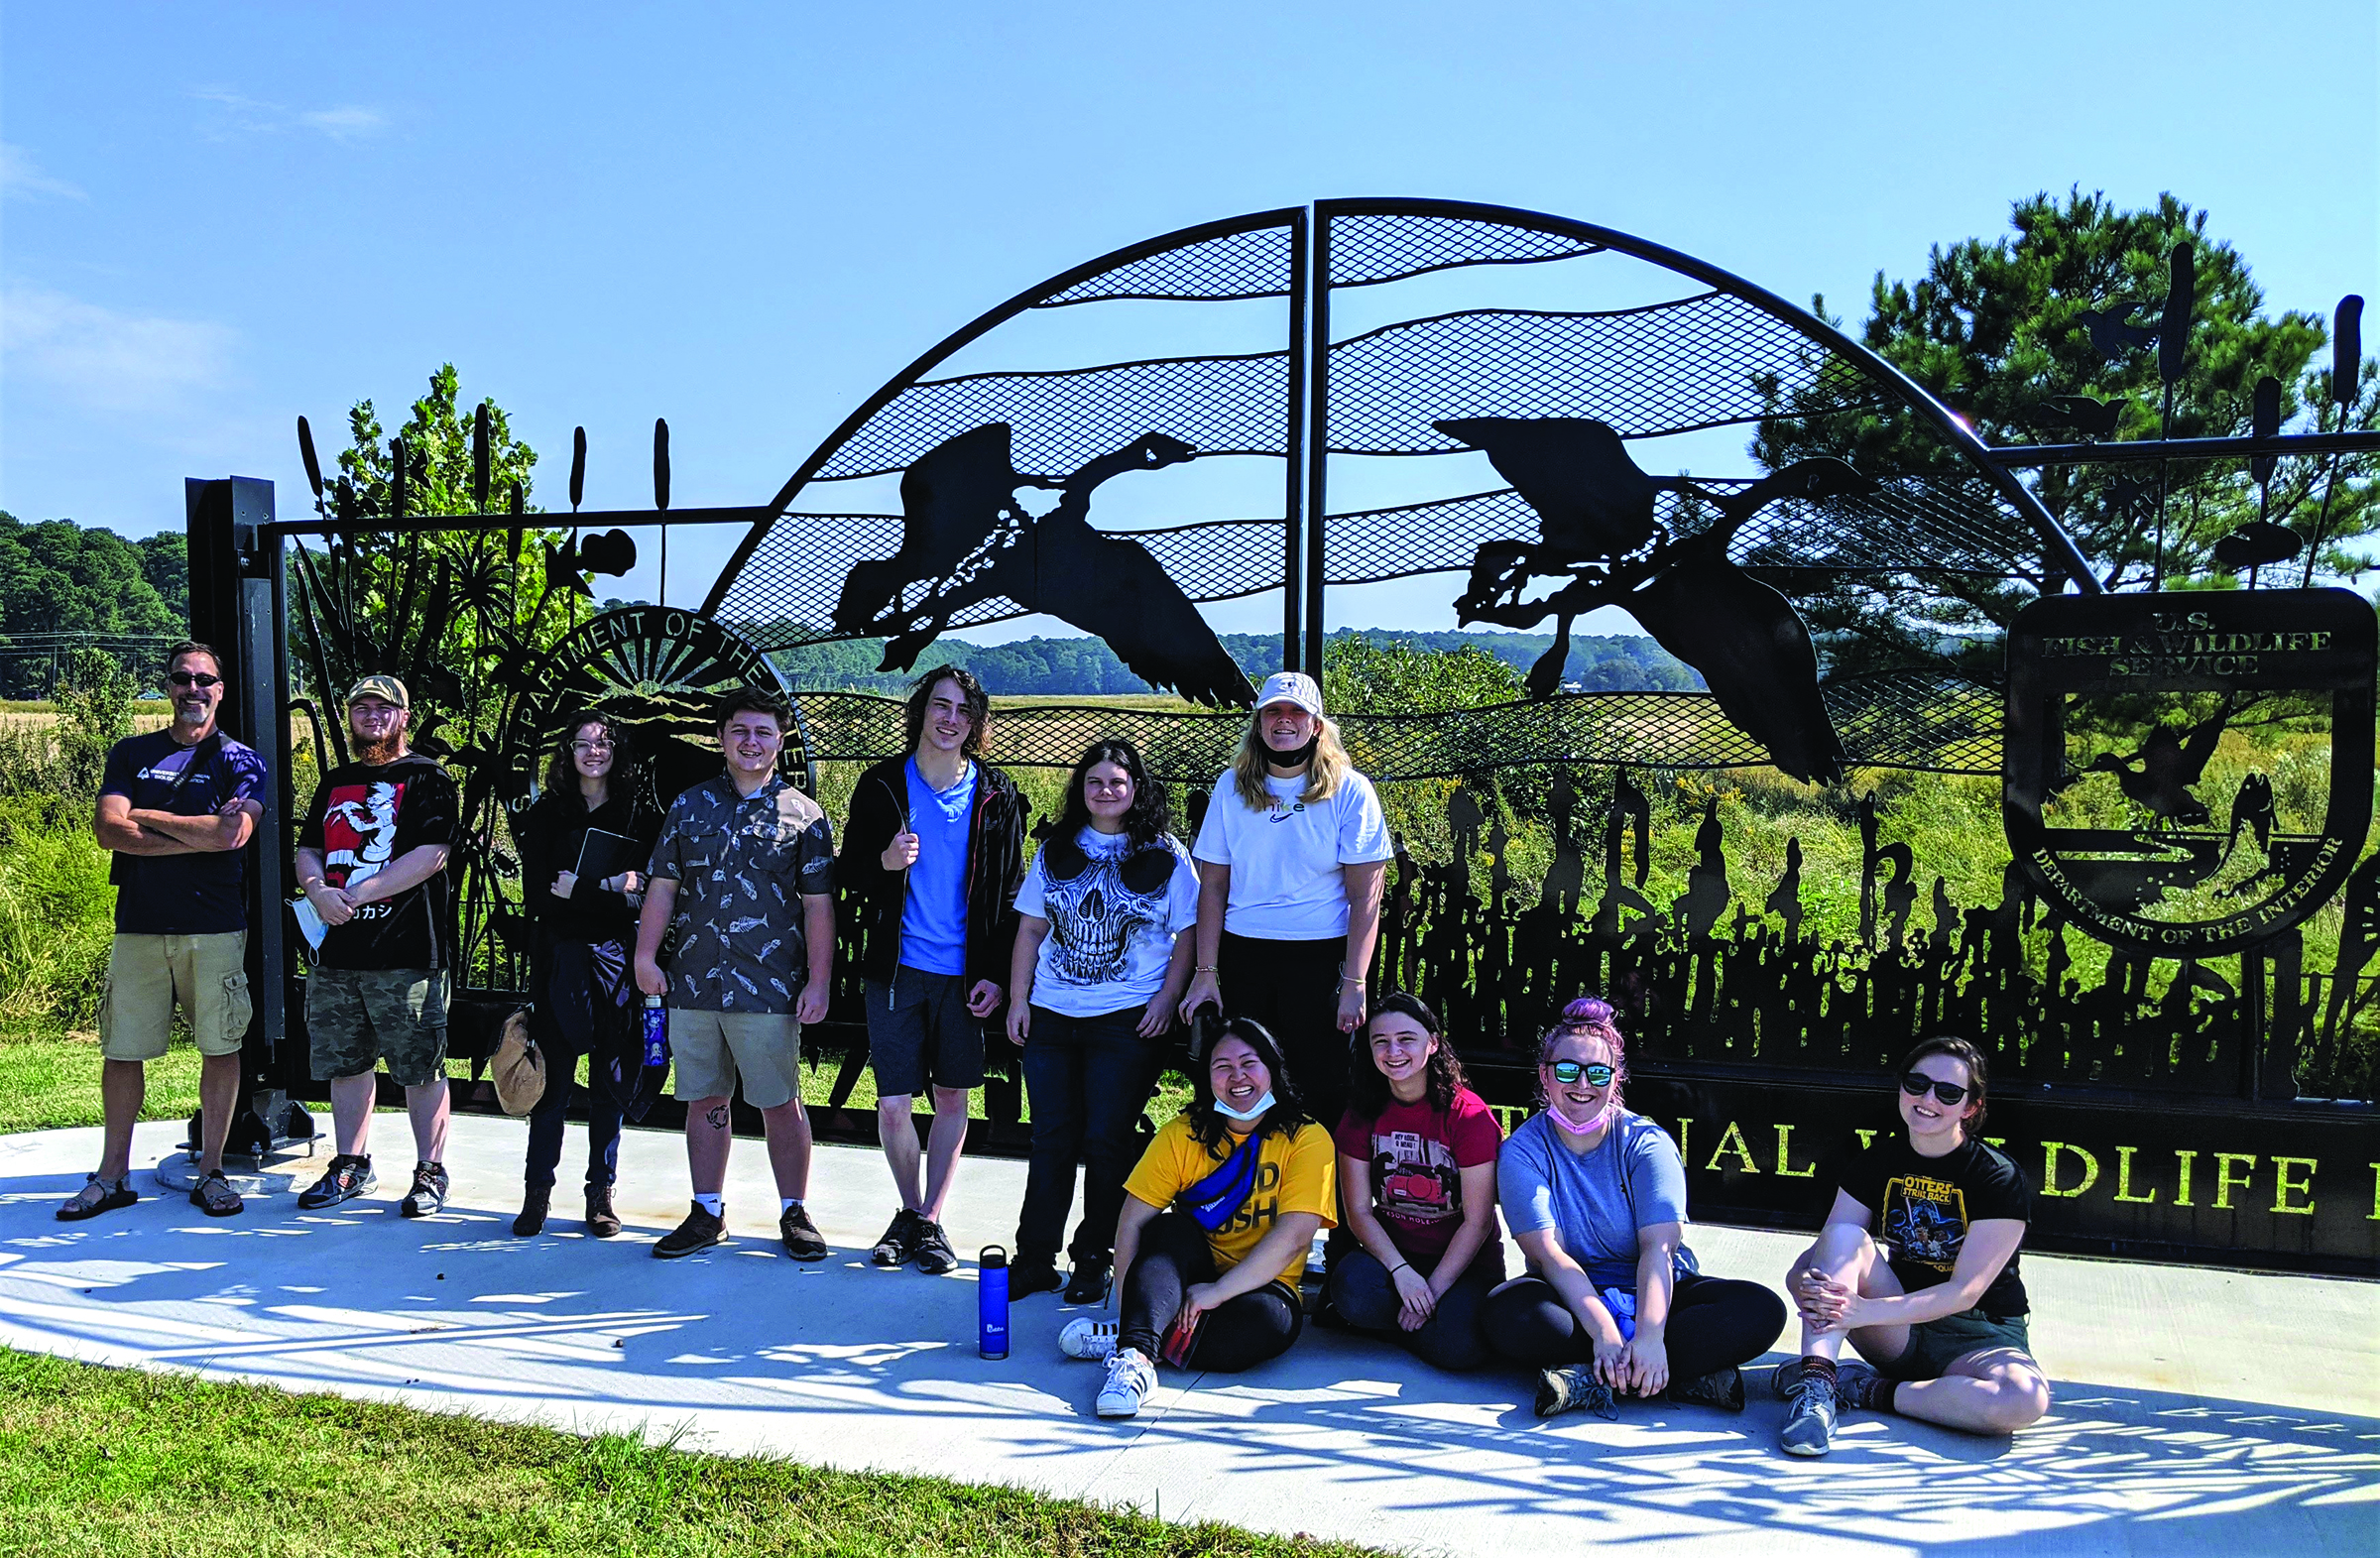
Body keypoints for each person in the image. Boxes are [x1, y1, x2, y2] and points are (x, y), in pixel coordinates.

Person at [1485, 997, 1786, 1416]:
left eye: (1598, 1072)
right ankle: (1680, 1377)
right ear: (1545, 1076)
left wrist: (1649, 1335)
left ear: (1616, 1077)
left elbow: (1658, 1249)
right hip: (1572, 1298)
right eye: (1568, 1070)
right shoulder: (1522, 1151)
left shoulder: (1647, 1141)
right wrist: (1605, 1333)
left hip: (1659, 1294)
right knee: (1505, 1314)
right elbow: (1548, 1256)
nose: (1582, 1084)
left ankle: (1589, 1377)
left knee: (1760, 1309)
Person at [60, 641, 267, 1221]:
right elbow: (108, 830)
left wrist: (146, 816)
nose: (193, 689)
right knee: (124, 1051)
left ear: (220, 690)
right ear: (169, 687)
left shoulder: (241, 760)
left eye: (205, 680)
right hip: (140, 928)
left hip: (215, 925)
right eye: (182, 678)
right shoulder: (131, 752)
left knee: (220, 1047)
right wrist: (190, 831)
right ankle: (112, 1175)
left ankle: (213, 1173)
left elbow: (231, 836)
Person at [1774, 1036, 2051, 1456]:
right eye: (1917, 1083)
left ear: (1971, 1107)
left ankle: (1867, 1390)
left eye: (1948, 1092)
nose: (1928, 1099)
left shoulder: (1998, 1177)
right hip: (1898, 1326)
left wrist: (1865, 1311)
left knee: (2022, 1399)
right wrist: (1802, 1281)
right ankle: (1815, 1389)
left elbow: (1965, 1292)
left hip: (1980, 1334)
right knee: (1848, 1238)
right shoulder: (1876, 1161)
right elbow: (1830, 1246)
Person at [838, 665, 1027, 1277]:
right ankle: (912, 1210)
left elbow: (1010, 897)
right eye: (940, 706)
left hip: (963, 975)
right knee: (893, 1103)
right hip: (896, 969)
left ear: (975, 724)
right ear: (920, 711)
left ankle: (928, 1219)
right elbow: (848, 877)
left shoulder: (997, 796)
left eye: (964, 711)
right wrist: (883, 862)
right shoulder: (881, 786)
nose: (950, 720)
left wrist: (997, 974)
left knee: (952, 1096)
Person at [634, 686, 836, 1260]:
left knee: (779, 1102)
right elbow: (663, 888)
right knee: (703, 1097)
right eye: (740, 731)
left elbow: (819, 905)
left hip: (768, 985)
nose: (751, 742)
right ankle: (707, 1211)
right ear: (720, 738)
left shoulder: (804, 816)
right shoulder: (688, 807)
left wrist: (818, 982)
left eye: (763, 733)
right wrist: (646, 957)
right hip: (694, 981)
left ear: (779, 741)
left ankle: (794, 1211)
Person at [1056, 1019, 1336, 1420]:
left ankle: (1140, 1334)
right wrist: (1125, 1304)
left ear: (1272, 1069)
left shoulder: (1307, 1138)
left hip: (1260, 1286)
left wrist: (1217, 1292)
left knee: (1268, 1324)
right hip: (1183, 1274)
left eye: (1249, 1063)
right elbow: (1132, 1222)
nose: (1237, 1077)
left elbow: (1294, 1236)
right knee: (1167, 1229)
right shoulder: (1182, 1133)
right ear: (1207, 1078)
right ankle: (1135, 1357)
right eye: (1222, 1066)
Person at [1006, 738, 1200, 1304]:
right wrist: (1020, 999)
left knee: (1108, 1141)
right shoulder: (1056, 850)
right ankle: (1035, 1257)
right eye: (1094, 782)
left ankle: (1094, 1257)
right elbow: (1031, 930)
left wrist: (1167, 998)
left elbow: (1186, 934)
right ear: (1080, 790)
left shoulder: (1166, 855)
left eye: (1117, 782)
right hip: (1052, 1015)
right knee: (1051, 1140)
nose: (1106, 791)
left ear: (1135, 789)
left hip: (1126, 1018)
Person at [1179, 670, 1390, 1135]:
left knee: (1321, 1089)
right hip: (1244, 954)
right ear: (1258, 722)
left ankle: (1319, 1201)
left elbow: (1366, 896)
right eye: (1273, 711)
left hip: (1320, 956)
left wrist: (1354, 980)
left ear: (1316, 725)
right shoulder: (1231, 787)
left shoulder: (1350, 790)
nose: (1284, 721)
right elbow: (1212, 887)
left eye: (1297, 712)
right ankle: (1245, 1196)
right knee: (1243, 1084)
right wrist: (1206, 973)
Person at [293, 675, 462, 1217]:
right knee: (347, 1064)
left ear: (403, 716)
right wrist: (318, 891)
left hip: (407, 952)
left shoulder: (429, 778)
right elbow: (309, 849)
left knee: (420, 1067)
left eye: (383, 708)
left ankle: (430, 1172)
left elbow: (432, 854)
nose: (372, 717)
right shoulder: (336, 781)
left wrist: (358, 893)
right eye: (361, 708)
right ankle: (350, 1164)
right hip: (340, 952)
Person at [510, 711, 659, 1239]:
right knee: (552, 1088)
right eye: (583, 744)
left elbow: (646, 898)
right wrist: (612, 888)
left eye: (604, 745)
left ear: (618, 753)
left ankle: (601, 1193)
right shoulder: (547, 815)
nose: (593, 753)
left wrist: (585, 889)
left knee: (608, 1085)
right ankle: (537, 1194)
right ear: (567, 752)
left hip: (615, 963)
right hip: (561, 963)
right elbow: (539, 899)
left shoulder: (638, 815)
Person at [1328, 993, 1504, 1371]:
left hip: (1463, 1264)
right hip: (1395, 1258)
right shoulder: (1361, 1113)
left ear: (1433, 1043)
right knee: (1350, 1290)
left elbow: (1479, 1221)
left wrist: (1434, 1289)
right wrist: (1401, 1273)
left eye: (1406, 1039)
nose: (1394, 1051)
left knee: (1462, 1345)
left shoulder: (1469, 1116)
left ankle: (1401, 1328)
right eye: (1381, 1041)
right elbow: (1358, 1211)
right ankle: (1416, 1330)